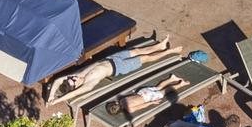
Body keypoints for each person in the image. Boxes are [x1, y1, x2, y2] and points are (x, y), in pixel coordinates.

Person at [44, 33, 173, 101]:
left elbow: (58, 80)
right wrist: (57, 101)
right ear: (76, 86)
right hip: (119, 67)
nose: (74, 77)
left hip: (112, 59)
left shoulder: (78, 74)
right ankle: (168, 52)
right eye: (74, 80)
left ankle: (159, 46)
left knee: (138, 50)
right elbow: (73, 94)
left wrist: (51, 96)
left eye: (71, 77)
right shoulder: (88, 84)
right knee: (146, 59)